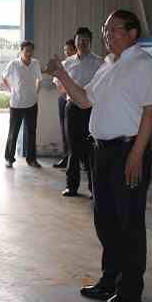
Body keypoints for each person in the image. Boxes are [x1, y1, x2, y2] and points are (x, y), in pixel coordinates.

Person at [47, 10, 152, 302]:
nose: (108, 35)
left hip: (128, 151)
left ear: (133, 33)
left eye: (115, 30)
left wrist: (136, 154)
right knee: (106, 219)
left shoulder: (143, 65)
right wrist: (61, 73)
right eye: (106, 30)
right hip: (102, 152)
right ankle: (110, 279)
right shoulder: (109, 64)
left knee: (129, 222)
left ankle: (130, 291)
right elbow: (84, 99)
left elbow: (150, 112)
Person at [61, 28, 102, 197]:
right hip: (72, 109)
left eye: (85, 40)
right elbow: (59, 84)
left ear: (90, 42)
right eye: (79, 40)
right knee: (73, 148)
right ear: (75, 41)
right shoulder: (67, 63)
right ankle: (71, 186)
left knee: (91, 149)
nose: (82, 43)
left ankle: (94, 189)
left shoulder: (99, 62)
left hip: (91, 108)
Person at [3, 40, 43, 168]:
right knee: (13, 132)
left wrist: (36, 92)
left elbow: (39, 79)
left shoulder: (35, 63)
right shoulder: (14, 64)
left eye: (31, 51)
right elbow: (4, 78)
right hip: (17, 104)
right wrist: (12, 90)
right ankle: (9, 158)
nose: (29, 53)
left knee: (31, 132)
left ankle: (32, 159)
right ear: (21, 51)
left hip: (32, 103)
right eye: (26, 51)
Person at [53, 38, 77, 168]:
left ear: (75, 49)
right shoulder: (62, 64)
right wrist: (65, 91)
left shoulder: (79, 64)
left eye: (69, 50)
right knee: (65, 129)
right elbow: (57, 83)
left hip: (77, 100)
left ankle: (80, 159)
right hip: (63, 98)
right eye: (65, 50)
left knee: (78, 131)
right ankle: (66, 157)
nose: (67, 52)